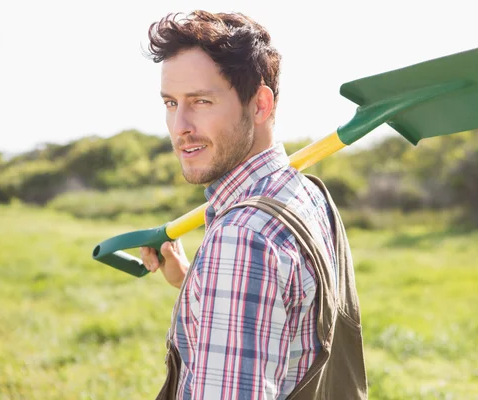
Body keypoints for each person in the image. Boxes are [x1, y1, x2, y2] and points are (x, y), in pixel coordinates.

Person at [139, 10, 367, 399]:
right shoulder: (306, 194)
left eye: (201, 101)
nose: (180, 127)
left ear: (260, 105)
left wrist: (224, 268)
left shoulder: (241, 238)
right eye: (171, 104)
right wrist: (199, 282)